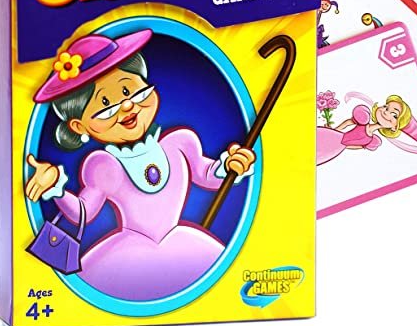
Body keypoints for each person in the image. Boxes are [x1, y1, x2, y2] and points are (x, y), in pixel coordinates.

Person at [25, 29, 255, 300]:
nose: (126, 107)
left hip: (184, 245)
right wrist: (56, 189)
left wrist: (230, 166)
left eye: (129, 91)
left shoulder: (179, 143)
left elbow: (208, 174)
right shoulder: (104, 167)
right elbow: (83, 212)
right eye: (106, 104)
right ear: (79, 126)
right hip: (126, 255)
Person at [317, 95, 417, 165]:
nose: (386, 112)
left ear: (394, 127)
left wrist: (343, 147)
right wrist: (335, 130)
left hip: (337, 148)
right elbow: (348, 122)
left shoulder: (372, 140)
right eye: (386, 107)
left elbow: (356, 146)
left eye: (394, 115)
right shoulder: (363, 118)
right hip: (333, 135)